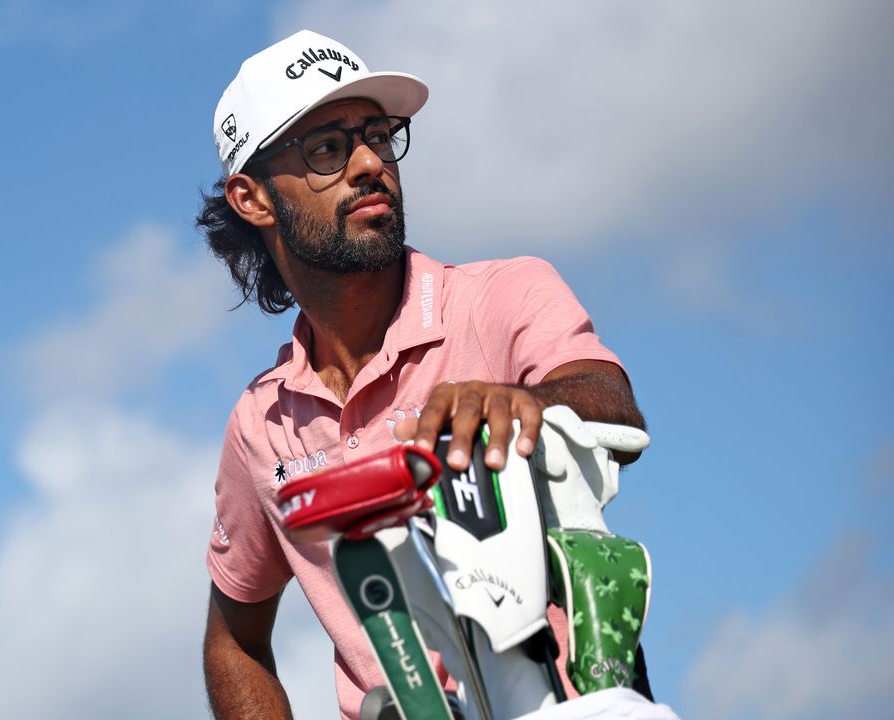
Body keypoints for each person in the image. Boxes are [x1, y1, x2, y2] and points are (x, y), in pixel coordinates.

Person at [197, 30, 647, 720]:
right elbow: (235, 639)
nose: (371, 162)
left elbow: (611, 404)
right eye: (327, 148)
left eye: (378, 134)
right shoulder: (260, 425)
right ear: (251, 198)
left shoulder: (504, 294)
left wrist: (522, 401)